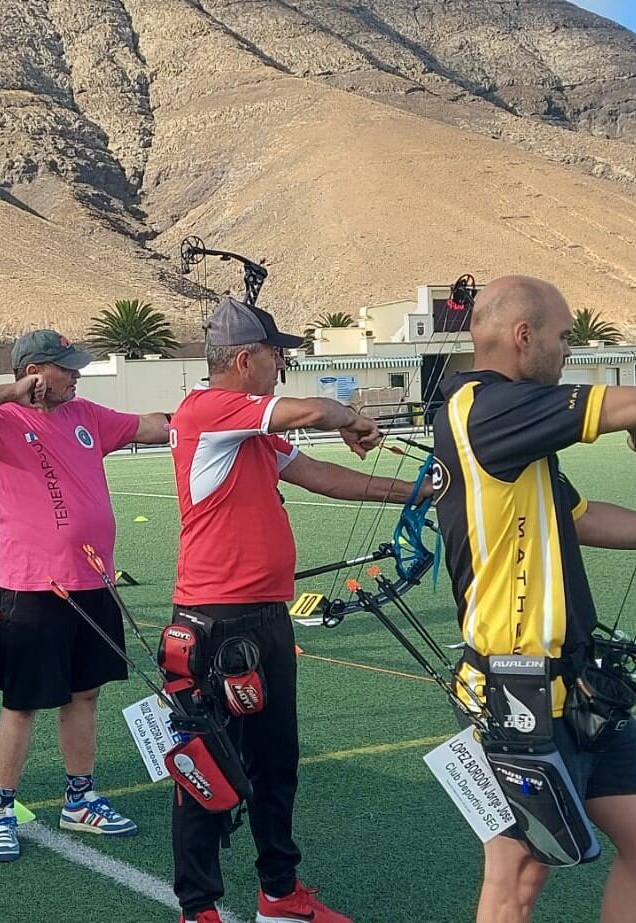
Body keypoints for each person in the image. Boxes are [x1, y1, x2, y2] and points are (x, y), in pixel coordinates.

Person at [432, 276, 636, 923]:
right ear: (523, 336)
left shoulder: (511, 429)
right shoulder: (485, 408)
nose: (564, 354)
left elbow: (579, 518)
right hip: (515, 692)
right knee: (518, 875)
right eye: (561, 339)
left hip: (581, 683)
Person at [166, 297, 429, 923]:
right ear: (242, 358)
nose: (281, 363)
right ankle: (197, 907)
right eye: (275, 354)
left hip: (263, 619)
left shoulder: (251, 435)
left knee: (276, 762)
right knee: (207, 765)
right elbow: (313, 410)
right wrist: (349, 418)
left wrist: (421, 490)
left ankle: (279, 895)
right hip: (214, 623)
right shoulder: (211, 410)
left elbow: (323, 477)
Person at [0, 330, 171, 862]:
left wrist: (216, 414)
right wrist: (11, 392)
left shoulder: (86, 414)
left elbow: (154, 426)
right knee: (22, 704)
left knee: (85, 694)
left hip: (93, 582)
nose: (78, 374)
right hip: (34, 587)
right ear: (36, 370)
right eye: (67, 368)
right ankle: (0, 809)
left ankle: (79, 799)